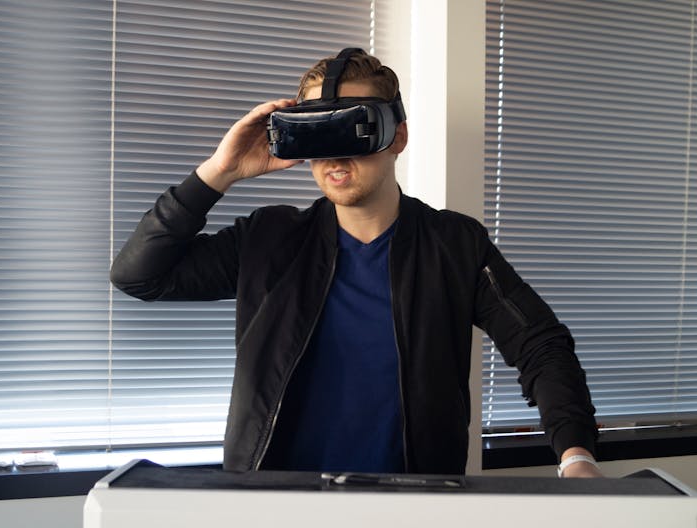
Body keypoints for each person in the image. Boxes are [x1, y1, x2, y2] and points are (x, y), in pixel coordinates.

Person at [110, 49, 602, 478]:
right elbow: (140, 275)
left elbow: (540, 345)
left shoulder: (454, 245)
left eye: (355, 129)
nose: (335, 157)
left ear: (398, 136)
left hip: (411, 504)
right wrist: (219, 171)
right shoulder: (267, 239)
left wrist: (576, 455)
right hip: (271, 503)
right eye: (318, 134)